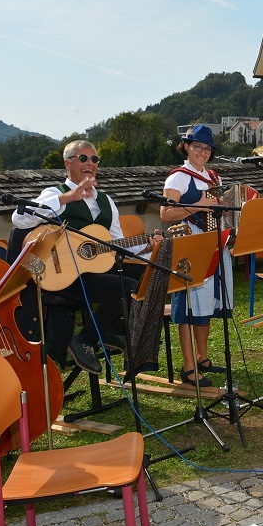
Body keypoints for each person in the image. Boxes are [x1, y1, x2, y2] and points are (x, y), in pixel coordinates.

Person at [10, 140, 161, 375]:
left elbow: (117, 245)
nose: (90, 163)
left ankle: (110, 329)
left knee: (148, 275)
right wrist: (67, 198)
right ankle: (86, 340)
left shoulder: (106, 201)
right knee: (127, 286)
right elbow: (19, 220)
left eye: (94, 159)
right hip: (62, 276)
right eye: (83, 158)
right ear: (67, 163)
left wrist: (146, 248)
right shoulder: (54, 193)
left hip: (95, 270)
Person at [159, 125, 233, 387]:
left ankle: (202, 358)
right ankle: (188, 367)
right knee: (190, 305)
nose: (203, 152)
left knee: (207, 303)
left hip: (214, 242)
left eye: (207, 148)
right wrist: (198, 205)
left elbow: (220, 211)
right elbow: (166, 214)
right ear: (187, 147)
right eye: (198, 146)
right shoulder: (178, 177)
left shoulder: (213, 177)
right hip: (190, 242)